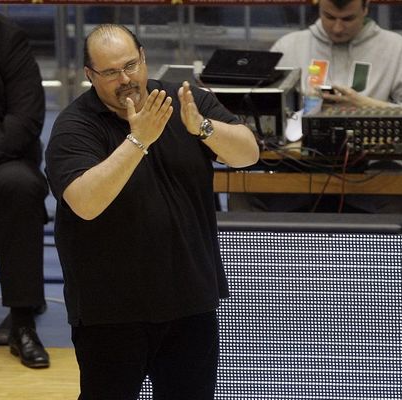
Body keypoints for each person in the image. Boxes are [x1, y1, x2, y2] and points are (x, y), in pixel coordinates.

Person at [45, 24, 259, 399]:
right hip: (111, 312)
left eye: (131, 65)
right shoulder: (74, 126)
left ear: (143, 57)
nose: (125, 79)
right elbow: (84, 202)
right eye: (110, 72)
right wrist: (138, 140)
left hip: (190, 301)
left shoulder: (185, 100)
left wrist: (204, 128)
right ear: (89, 75)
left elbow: (248, 154)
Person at [228, 0, 402, 214]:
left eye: (348, 19)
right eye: (329, 17)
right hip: (297, 165)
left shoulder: (395, 48)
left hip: (370, 166)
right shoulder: (290, 46)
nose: (338, 28)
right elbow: (262, 107)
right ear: (318, 7)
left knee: (399, 192)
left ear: (366, 9)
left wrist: (365, 105)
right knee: (243, 188)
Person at [0, 7, 50, 368]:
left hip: (0, 163)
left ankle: (23, 323)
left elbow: (27, 114)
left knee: (20, 186)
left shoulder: (6, 36)